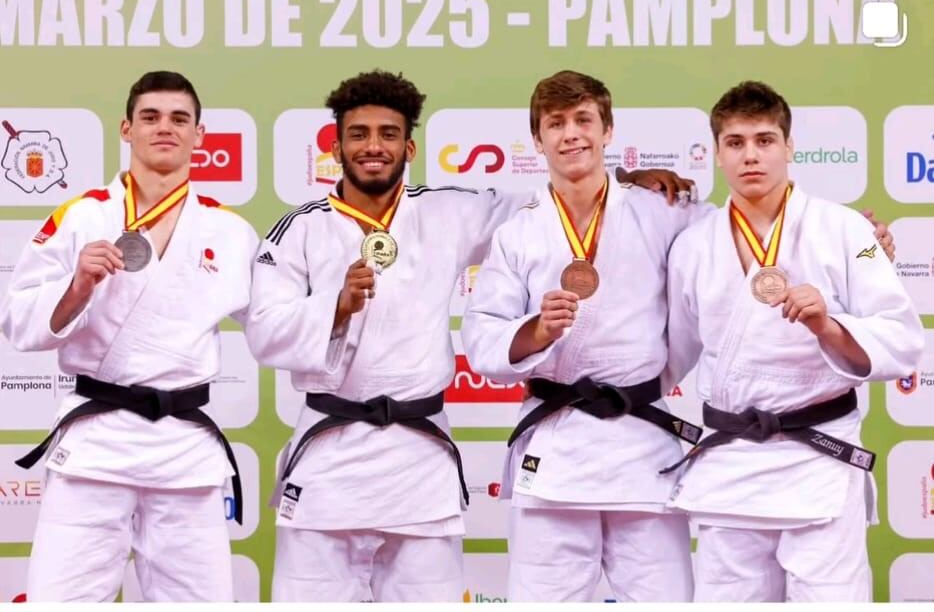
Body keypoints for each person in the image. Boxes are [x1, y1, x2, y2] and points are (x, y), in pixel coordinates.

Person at [244, 69, 686, 602]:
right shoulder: (299, 228)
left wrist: (628, 183)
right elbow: (264, 331)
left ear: (409, 147)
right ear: (336, 148)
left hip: (418, 460)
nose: (373, 146)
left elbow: (553, 203)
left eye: (388, 134)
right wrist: (334, 307)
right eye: (358, 134)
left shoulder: (448, 210)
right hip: (327, 460)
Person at [0, 71, 258, 602]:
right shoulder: (82, 215)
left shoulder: (232, 232)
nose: (165, 128)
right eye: (150, 117)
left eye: (179, 119)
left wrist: (338, 307)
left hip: (184, 452)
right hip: (98, 446)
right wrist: (76, 287)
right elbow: (18, 320)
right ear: (126, 129)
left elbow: (278, 327)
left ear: (199, 135)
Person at [662, 80, 923, 602]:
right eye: (735, 142)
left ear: (789, 147)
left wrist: (828, 324)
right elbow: (671, 355)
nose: (750, 155)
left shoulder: (851, 232)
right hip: (732, 464)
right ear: (716, 154)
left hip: (818, 460)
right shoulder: (692, 246)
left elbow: (900, 336)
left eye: (765, 140)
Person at [460, 70, 710, 602]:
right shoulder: (518, 231)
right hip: (556, 452)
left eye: (583, 120)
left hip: (642, 447)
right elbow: (482, 337)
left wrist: (854, 246)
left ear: (607, 130)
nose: (571, 134)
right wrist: (536, 329)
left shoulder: (661, 210)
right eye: (556, 123)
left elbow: (739, 241)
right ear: (537, 140)